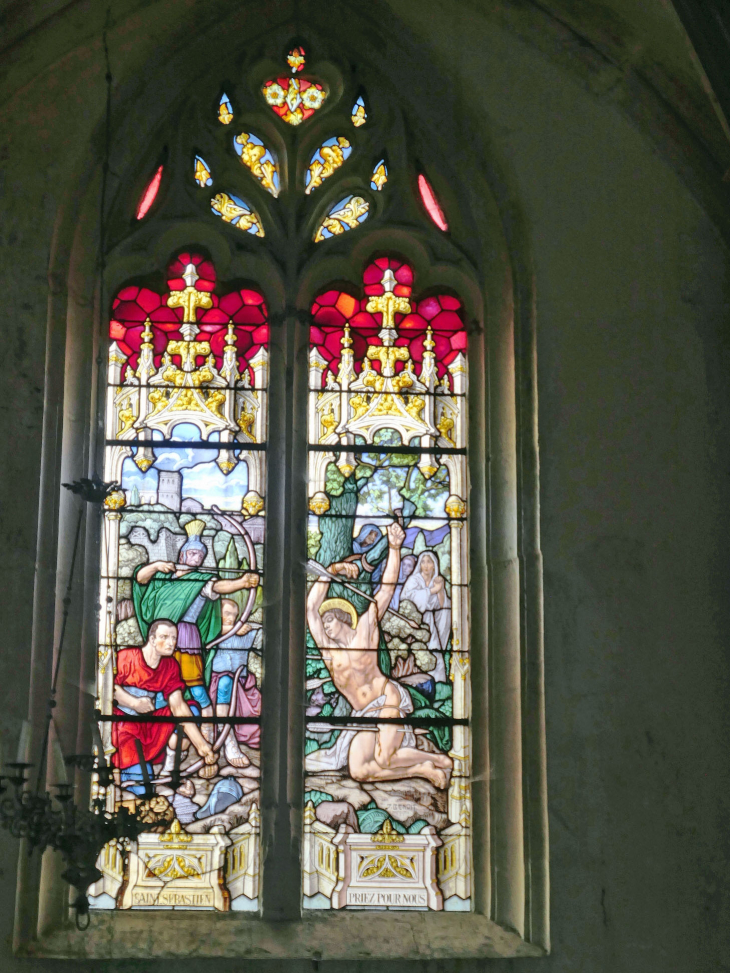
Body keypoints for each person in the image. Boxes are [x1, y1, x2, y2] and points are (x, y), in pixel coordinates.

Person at [306, 522, 452, 788]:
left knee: (385, 757)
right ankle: (423, 767)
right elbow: (311, 608)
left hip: (387, 699)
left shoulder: (365, 629)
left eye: (330, 620)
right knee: (359, 770)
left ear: (344, 619)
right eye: (324, 622)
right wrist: (332, 571)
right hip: (364, 714)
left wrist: (394, 549)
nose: (325, 625)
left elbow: (386, 589)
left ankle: (436, 763)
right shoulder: (329, 651)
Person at [132, 519, 258, 740]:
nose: (197, 559)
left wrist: (242, 582)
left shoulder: (201, 581)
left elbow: (220, 586)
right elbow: (140, 579)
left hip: (187, 639)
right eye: (193, 554)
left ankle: (209, 734)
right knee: (162, 689)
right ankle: (158, 734)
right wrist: (156, 565)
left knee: (197, 690)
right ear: (182, 555)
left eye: (201, 556)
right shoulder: (163, 578)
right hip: (161, 641)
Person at [112, 619, 217, 798]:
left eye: (174, 638)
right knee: (142, 790)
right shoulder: (125, 656)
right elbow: (109, 688)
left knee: (192, 710)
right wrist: (134, 703)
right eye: (164, 637)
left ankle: (170, 770)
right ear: (152, 639)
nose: (171, 643)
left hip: (154, 725)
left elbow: (177, 706)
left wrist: (203, 747)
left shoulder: (170, 666)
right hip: (126, 725)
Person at [208, 598, 262, 768]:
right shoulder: (210, 631)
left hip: (242, 683)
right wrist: (232, 629)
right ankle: (228, 739)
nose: (232, 617)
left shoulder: (245, 632)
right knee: (225, 682)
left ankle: (231, 734)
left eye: (235, 615)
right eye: (227, 614)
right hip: (219, 683)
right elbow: (208, 631)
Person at [400, 550, 452, 680]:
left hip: (429, 623)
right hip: (413, 623)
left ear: (434, 564)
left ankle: (438, 683)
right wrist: (432, 590)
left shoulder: (436, 581)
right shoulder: (414, 580)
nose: (426, 565)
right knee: (415, 655)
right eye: (423, 562)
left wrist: (440, 590)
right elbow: (409, 598)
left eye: (429, 562)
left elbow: (442, 606)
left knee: (435, 656)